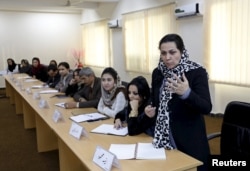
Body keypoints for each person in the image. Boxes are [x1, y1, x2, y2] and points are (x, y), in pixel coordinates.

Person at [145, 34, 212, 171]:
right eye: (163, 53)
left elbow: (206, 107)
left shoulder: (196, 72)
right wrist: (149, 107)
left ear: (182, 52)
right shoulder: (158, 72)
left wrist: (186, 93)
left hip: (188, 138)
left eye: (172, 52)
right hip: (163, 137)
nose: (167, 57)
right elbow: (154, 97)